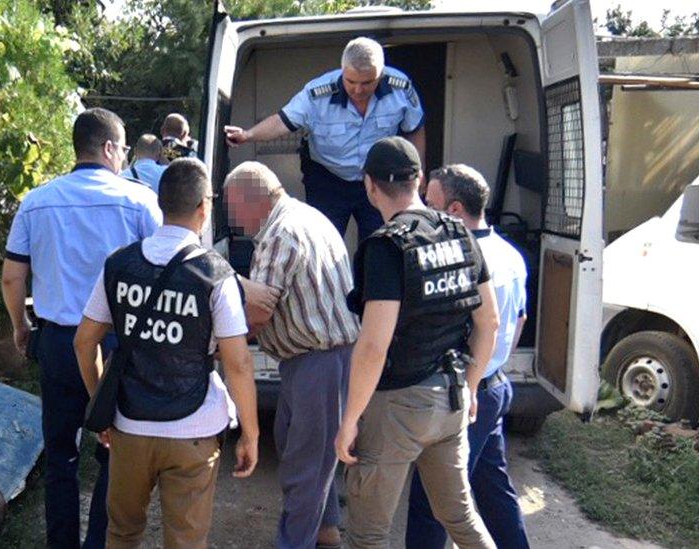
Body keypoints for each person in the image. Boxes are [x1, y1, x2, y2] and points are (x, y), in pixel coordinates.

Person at [74, 158, 259, 549]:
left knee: (121, 534)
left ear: (161, 203)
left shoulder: (119, 264)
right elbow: (239, 364)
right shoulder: (216, 275)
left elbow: (84, 340)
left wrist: (100, 403)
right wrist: (251, 432)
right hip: (193, 430)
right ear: (204, 208)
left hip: (129, 424)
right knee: (186, 541)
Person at [1, 108, 162, 548]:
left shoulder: (36, 201)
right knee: (116, 450)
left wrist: (21, 327)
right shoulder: (140, 201)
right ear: (110, 148)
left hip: (56, 339)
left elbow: (13, 276)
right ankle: (99, 542)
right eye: (124, 148)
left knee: (61, 454)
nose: (124, 156)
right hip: (116, 345)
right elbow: (165, 267)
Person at [333, 137, 498, 549]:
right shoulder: (462, 233)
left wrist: (350, 419)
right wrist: (473, 387)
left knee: (368, 534)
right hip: (453, 397)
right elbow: (489, 321)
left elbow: (374, 345)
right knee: (459, 516)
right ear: (419, 179)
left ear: (369, 186)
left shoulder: (387, 247)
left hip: (398, 405)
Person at [224, 162, 360, 549]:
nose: (235, 222)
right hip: (315, 360)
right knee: (296, 444)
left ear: (254, 200)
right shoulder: (306, 216)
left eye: (235, 210)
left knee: (305, 465)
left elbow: (260, 311)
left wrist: (222, 339)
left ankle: (295, 543)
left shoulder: (280, 232)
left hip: (319, 360)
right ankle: (326, 530)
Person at [406, 164, 531, 549]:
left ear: (455, 210)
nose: (425, 211)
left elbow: (478, 327)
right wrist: (492, 368)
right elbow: (519, 319)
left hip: (467, 392)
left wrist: (470, 383)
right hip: (494, 385)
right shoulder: (510, 253)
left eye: (432, 204)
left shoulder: (462, 257)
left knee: (432, 500)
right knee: (492, 487)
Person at [224, 37, 425, 242]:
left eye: (367, 83)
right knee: (322, 242)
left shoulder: (400, 88)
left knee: (380, 241)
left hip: (376, 178)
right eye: (351, 81)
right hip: (328, 180)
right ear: (342, 71)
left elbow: (414, 129)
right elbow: (282, 122)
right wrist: (248, 135)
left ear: (381, 75)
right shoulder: (317, 94)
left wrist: (415, 174)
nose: (358, 90)